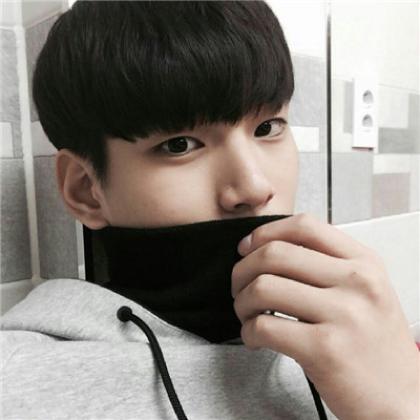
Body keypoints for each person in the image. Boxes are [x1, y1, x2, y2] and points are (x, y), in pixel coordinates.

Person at [1, 1, 418, 419]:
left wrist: (402, 399)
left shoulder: (356, 333)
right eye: (179, 145)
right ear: (86, 190)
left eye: (267, 128)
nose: (255, 186)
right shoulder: (16, 384)